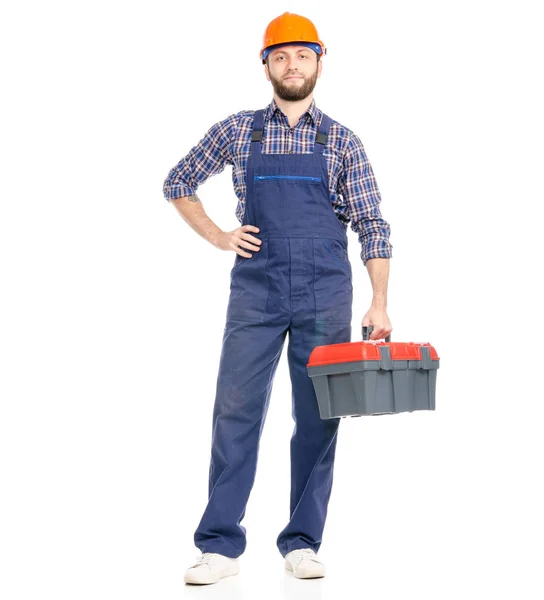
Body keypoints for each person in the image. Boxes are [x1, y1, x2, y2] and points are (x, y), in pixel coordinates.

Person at [163, 11, 393, 585]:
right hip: (256, 288)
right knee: (235, 411)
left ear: (320, 61)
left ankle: (302, 542)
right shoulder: (238, 130)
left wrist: (379, 301)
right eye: (281, 56)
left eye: (303, 55)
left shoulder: (342, 140)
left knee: (319, 414)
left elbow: (373, 225)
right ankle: (219, 545)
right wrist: (219, 235)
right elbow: (178, 182)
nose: (292, 65)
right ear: (265, 64)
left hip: (324, 292)